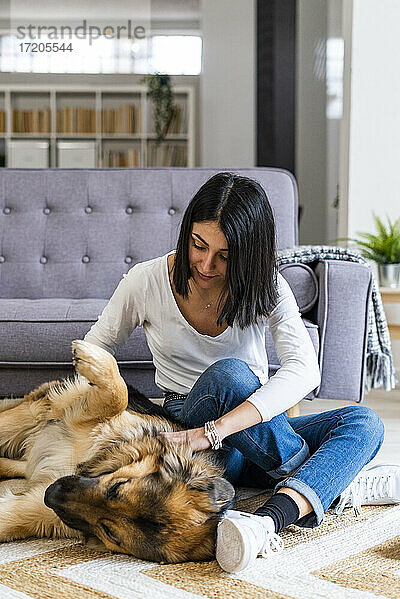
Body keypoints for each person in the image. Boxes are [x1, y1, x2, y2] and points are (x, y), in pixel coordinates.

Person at [84, 172, 397, 573]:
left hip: (253, 433)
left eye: (225, 255)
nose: (206, 264)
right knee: (229, 377)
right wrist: (178, 426)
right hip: (195, 439)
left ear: (248, 255)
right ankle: (332, 483)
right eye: (199, 246)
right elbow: (95, 349)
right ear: (187, 235)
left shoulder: (265, 285)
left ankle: (265, 522)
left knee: (364, 421)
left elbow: (305, 370)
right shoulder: (146, 281)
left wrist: (221, 427)